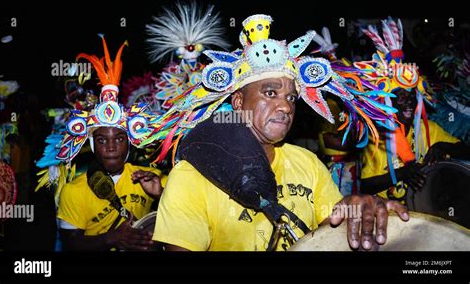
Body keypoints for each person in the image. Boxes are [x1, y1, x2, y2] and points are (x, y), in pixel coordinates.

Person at [151, 14, 409, 251]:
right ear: (239, 103)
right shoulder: (192, 174)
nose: (286, 106)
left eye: (292, 98)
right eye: (270, 93)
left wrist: (360, 210)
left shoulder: (307, 162)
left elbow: (333, 229)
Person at [55, 36, 165, 251]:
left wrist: (160, 195)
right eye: (102, 140)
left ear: (130, 142)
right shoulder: (74, 191)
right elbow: (70, 244)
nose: (112, 146)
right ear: (93, 144)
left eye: (119, 139)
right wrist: (112, 239)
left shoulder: (148, 178)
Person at [356, 17, 470, 203]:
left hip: (422, 211)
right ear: (387, 102)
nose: (408, 102)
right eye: (399, 97)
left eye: (410, 96)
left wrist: (445, 146)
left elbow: (466, 152)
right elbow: (366, 186)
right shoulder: (378, 138)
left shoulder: (428, 129)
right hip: (386, 212)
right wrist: (401, 173)